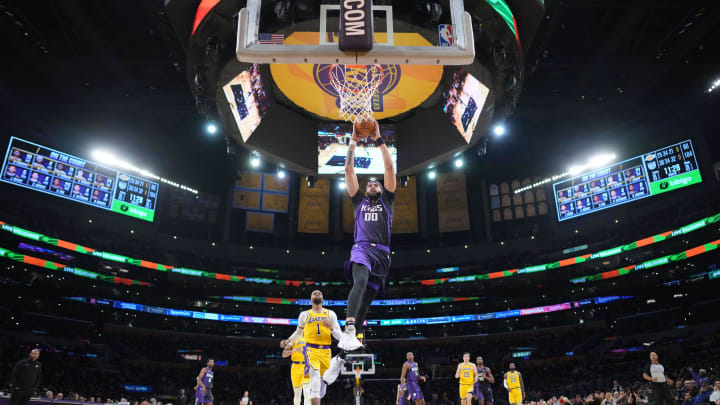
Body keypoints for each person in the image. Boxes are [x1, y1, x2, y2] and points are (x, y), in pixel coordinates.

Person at [340, 118, 397, 351]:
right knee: (360, 281)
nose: (373, 184)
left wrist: (379, 140)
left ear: (382, 189)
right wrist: (353, 141)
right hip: (361, 248)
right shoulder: (358, 202)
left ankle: (347, 349)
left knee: (366, 302)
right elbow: (348, 169)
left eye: (376, 184)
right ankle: (350, 327)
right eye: (370, 184)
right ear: (365, 190)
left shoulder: (388, 201)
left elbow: (389, 169)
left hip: (382, 254)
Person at [280, 290, 344, 405]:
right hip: (310, 350)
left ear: (323, 299)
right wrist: (288, 341)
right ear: (310, 300)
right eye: (314, 293)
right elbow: (298, 333)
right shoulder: (304, 314)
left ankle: (323, 383)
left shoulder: (331, 314)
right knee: (314, 380)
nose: (317, 293)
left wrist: (332, 328)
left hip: (325, 351)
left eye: (319, 293)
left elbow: (341, 337)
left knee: (322, 384)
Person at [282, 335, 311, 405]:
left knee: (307, 392)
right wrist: (294, 350)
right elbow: (283, 354)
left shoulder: (311, 338)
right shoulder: (294, 339)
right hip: (295, 367)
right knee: (297, 394)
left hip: (306, 366)